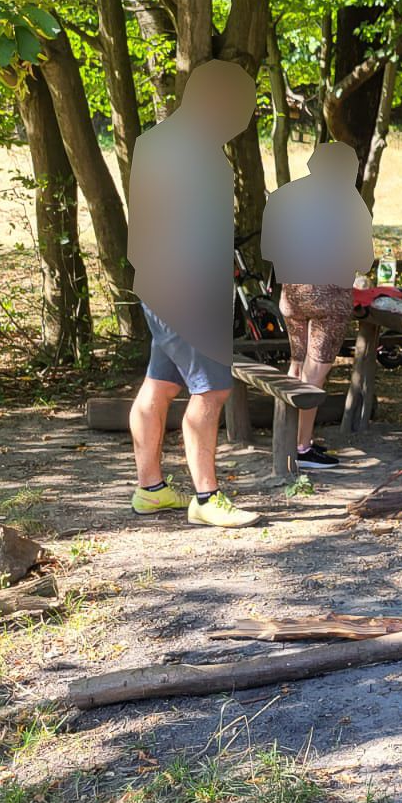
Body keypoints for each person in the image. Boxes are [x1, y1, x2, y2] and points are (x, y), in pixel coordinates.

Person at [127, 60, 260, 527]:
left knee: (159, 385)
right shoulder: (198, 150)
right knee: (213, 390)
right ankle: (206, 499)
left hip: (155, 282)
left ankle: (150, 491)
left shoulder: (154, 141)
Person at [261, 142, 375, 470]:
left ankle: (287, 440)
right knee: (315, 371)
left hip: (291, 295)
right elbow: (364, 261)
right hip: (331, 298)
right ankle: (301, 447)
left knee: (297, 366)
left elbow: (269, 249)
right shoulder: (348, 200)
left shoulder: (283, 196)